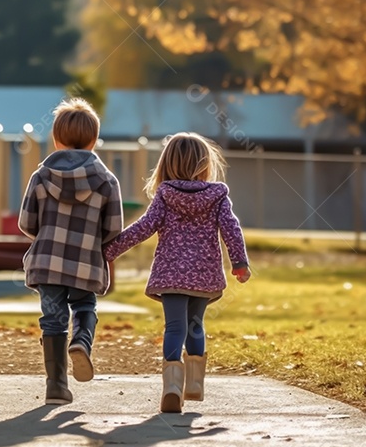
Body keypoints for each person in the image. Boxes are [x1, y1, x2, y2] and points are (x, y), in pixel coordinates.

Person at [104, 132, 250, 413]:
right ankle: (194, 384)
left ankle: (172, 385)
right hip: (204, 275)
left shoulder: (165, 195)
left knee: (174, 327)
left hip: (170, 276)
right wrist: (239, 262)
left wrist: (110, 250)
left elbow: (144, 227)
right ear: (205, 165)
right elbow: (232, 229)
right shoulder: (218, 196)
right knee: (196, 326)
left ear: (166, 165)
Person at [19, 98, 124, 405]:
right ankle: (81, 342)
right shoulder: (106, 180)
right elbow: (113, 227)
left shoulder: (41, 176)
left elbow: (27, 223)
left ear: (56, 139)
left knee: (52, 319)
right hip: (85, 262)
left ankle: (56, 385)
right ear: (94, 140)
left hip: (47, 262)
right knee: (84, 307)